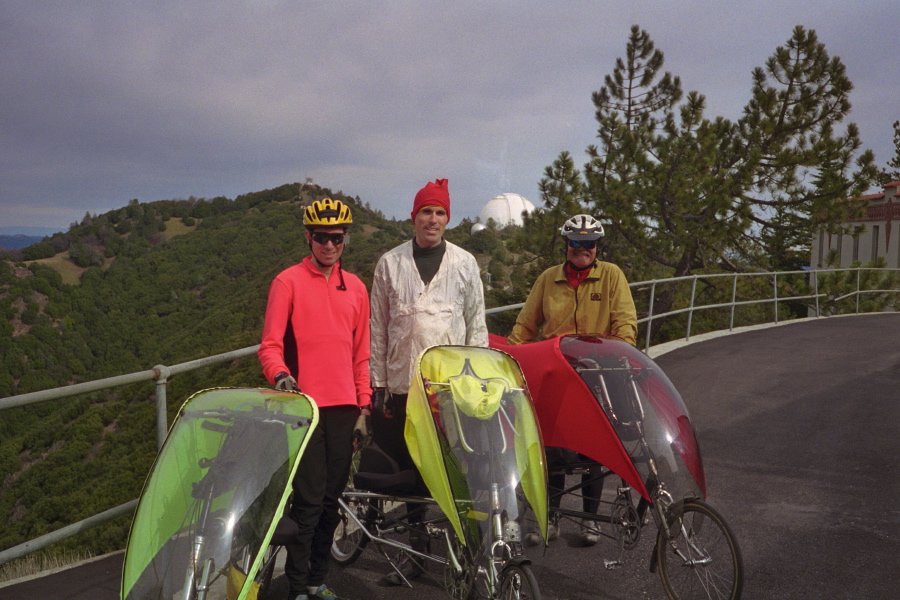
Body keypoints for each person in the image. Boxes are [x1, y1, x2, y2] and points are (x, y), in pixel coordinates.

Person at [370, 178, 489, 585]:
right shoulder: (390, 263)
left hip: (451, 390)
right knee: (411, 474)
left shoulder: (464, 263)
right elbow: (379, 329)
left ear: (448, 219)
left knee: (460, 470)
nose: (432, 220)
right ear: (413, 216)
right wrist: (378, 383)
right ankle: (416, 555)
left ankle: (469, 554)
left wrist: (479, 381)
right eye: (426, 211)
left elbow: (477, 326)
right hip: (404, 387)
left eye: (439, 212)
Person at [258, 198, 372, 600]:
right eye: (321, 237)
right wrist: (283, 377)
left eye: (336, 238)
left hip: (343, 408)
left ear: (345, 240)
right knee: (307, 501)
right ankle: (296, 586)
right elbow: (269, 347)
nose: (328, 245)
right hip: (303, 407)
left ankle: (316, 579)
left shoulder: (356, 287)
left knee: (330, 500)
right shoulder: (287, 282)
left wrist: (364, 405)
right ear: (309, 237)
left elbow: (362, 355)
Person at [507, 213, 637, 547]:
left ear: (597, 247)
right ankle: (550, 516)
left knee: (593, 449)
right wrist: (512, 359)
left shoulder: (612, 276)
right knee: (554, 450)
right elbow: (525, 326)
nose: (582, 249)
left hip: (598, 374)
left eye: (589, 244)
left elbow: (625, 323)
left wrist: (622, 355)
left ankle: (589, 521)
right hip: (557, 374)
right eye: (576, 243)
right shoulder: (548, 279)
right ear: (567, 245)